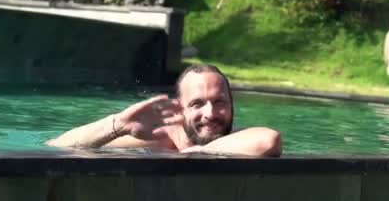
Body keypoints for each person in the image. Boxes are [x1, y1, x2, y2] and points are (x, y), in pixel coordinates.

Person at [46, 64, 282, 157]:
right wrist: (118, 125)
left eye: (220, 102)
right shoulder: (163, 139)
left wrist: (196, 151)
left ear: (232, 105)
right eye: (197, 104)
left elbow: (269, 141)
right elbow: (60, 144)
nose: (210, 113)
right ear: (179, 109)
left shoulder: (236, 139)